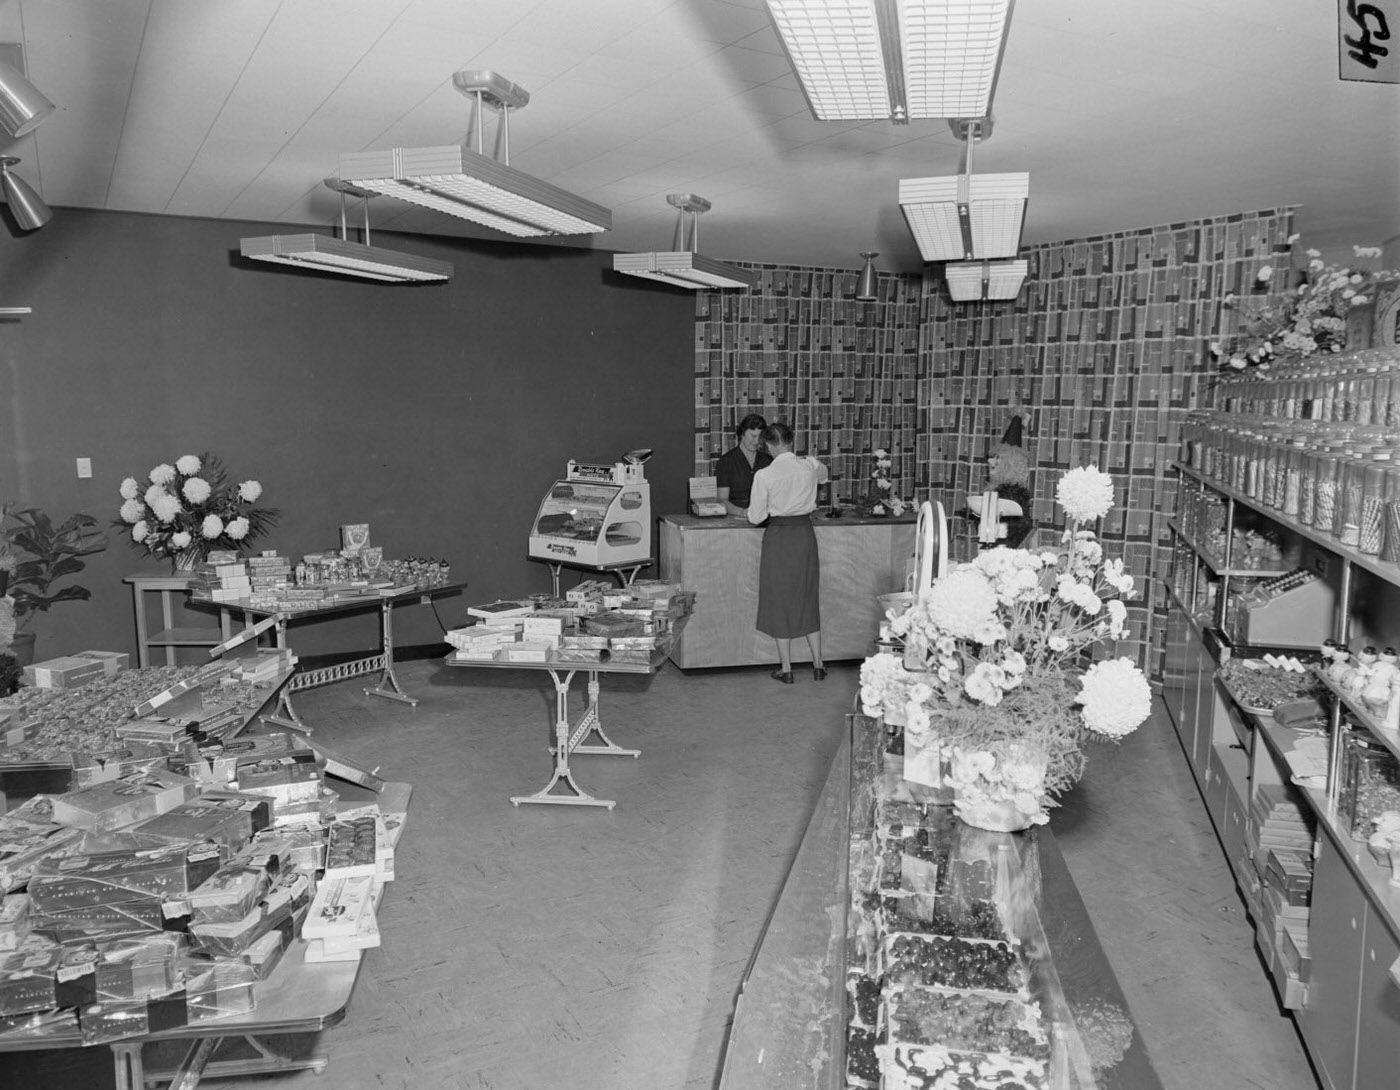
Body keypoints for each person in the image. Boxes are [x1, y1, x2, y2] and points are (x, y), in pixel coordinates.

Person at [747, 422, 828, 684]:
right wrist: (811, 463)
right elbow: (824, 475)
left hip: (780, 538)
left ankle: (786, 668)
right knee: (807, 595)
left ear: (769, 445)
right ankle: (818, 665)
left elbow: (756, 516)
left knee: (779, 599)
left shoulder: (765, 475)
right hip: (805, 535)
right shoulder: (809, 466)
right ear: (791, 442)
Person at [715, 413, 772, 517]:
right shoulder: (725, 462)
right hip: (735, 517)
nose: (757, 441)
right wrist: (742, 512)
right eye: (753, 436)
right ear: (742, 434)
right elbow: (722, 500)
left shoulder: (768, 461)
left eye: (760, 437)